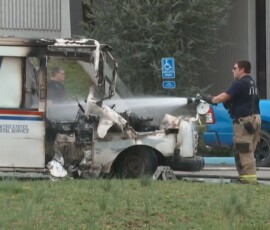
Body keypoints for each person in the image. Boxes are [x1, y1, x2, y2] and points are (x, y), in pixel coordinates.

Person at [202, 60, 261, 184]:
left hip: (244, 122)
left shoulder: (239, 84)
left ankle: (249, 181)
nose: (232, 70)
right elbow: (249, 101)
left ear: (242, 69)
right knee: (247, 151)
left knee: (244, 151)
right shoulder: (252, 83)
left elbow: (222, 97)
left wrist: (210, 99)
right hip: (254, 120)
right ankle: (244, 179)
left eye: (235, 68)